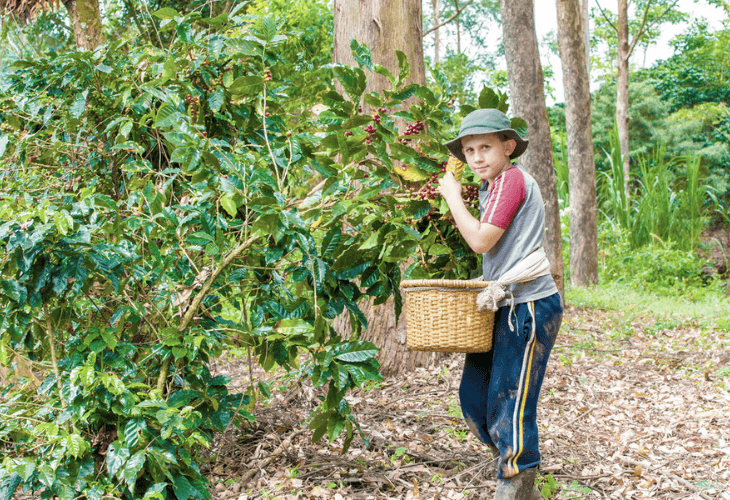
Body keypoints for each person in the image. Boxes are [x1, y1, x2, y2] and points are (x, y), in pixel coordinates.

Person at [437, 108, 563, 500]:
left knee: (511, 398)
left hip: (528, 305)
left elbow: (480, 241)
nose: (475, 158)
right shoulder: (491, 185)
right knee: (474, 400)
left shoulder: (511, 180)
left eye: (485, 147)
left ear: (508, 146)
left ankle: (516, 479)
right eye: (469, 150)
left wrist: (451, 197)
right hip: (501, 304)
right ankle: (522, 473)